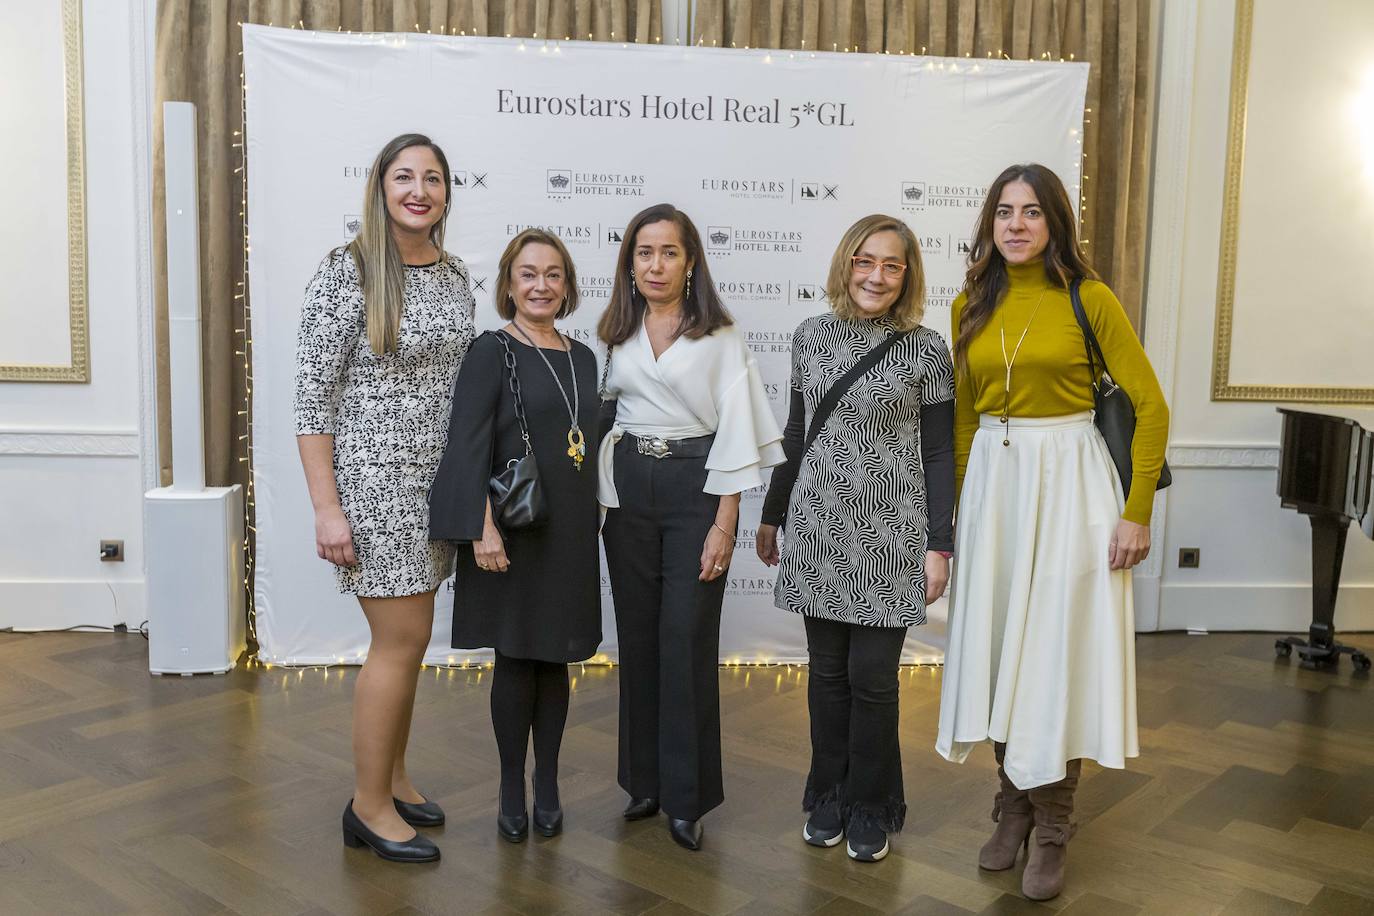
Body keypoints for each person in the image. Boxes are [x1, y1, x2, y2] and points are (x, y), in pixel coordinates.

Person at [935, 163, 1169, 900]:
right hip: (997, 493)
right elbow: (966, 417)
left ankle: (1054, 825)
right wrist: (969, 506)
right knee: (1004, 650)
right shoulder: (969, 302)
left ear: (1054, 222)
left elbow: (1152, 406)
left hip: (1072, 483)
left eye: (1031, 212)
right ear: (988, 223)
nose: (1015, 225)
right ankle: (1011, 808)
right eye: (1004, 211)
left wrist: (1137, 511)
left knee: (1054, 658)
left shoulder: (1088, 298)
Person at [294, 133, 475, 864]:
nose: (419, 190)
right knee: (398, 643)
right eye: (405, 176)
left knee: (411, 640)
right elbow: (313, 398)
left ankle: (393, 778)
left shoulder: (456, 272)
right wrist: (326, 507)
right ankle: (367, 807)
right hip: (374, 489)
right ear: (380, 186)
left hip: (440, 489)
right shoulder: (348, 271)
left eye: (433, 178)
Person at [757, 215, 955, 863]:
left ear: (907, 275)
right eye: (865, 261)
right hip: (817, 529)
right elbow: (794, 432)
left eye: (891, 265)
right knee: (827, 675)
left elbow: (938, 453)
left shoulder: (927, 350)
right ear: (847, 264)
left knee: (874, 679)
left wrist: (939, 542)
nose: (876, 275)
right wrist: (770, 513)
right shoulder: (810, 335)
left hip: (891, 537)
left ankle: (872, 803)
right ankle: (829, 794)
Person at [597, 203, 784, 851]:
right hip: (627, 492)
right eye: (643, 253)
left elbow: (739, 432)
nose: (655, 264)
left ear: (690, 261)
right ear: (630, 262)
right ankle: (642, 783)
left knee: (686, 638)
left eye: (668, 252)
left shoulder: (720, 338)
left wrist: (726, 522)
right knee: (639, 638)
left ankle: (687, 796)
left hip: (696, 489)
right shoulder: (616, 332)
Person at [429, 229, 602, 844]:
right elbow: (467, 446)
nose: (541, 285)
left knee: (554, 662)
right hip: (508, 533)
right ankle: (510, 785)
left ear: (567, 285)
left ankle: (547, 784)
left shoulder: (583, 358)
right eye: (528, 274)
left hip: (569, 534)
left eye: (553, 274)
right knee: (514, 660)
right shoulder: (490, 351)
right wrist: (481, 530)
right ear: (508, 284)